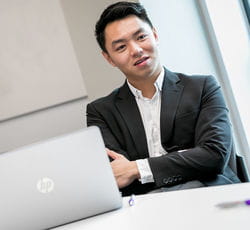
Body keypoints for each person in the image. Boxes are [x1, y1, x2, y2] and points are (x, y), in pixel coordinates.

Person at [87, 1, 240, 195]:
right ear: (109, 58)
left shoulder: (202, 87)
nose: (136, 50)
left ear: (155, 35)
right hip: (147, 209)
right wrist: (187, 157)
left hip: (209, 195)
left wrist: (137, 169)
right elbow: (117, 176)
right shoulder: (100, 112)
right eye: (121, 47)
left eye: (141, 37)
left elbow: (214, 156)